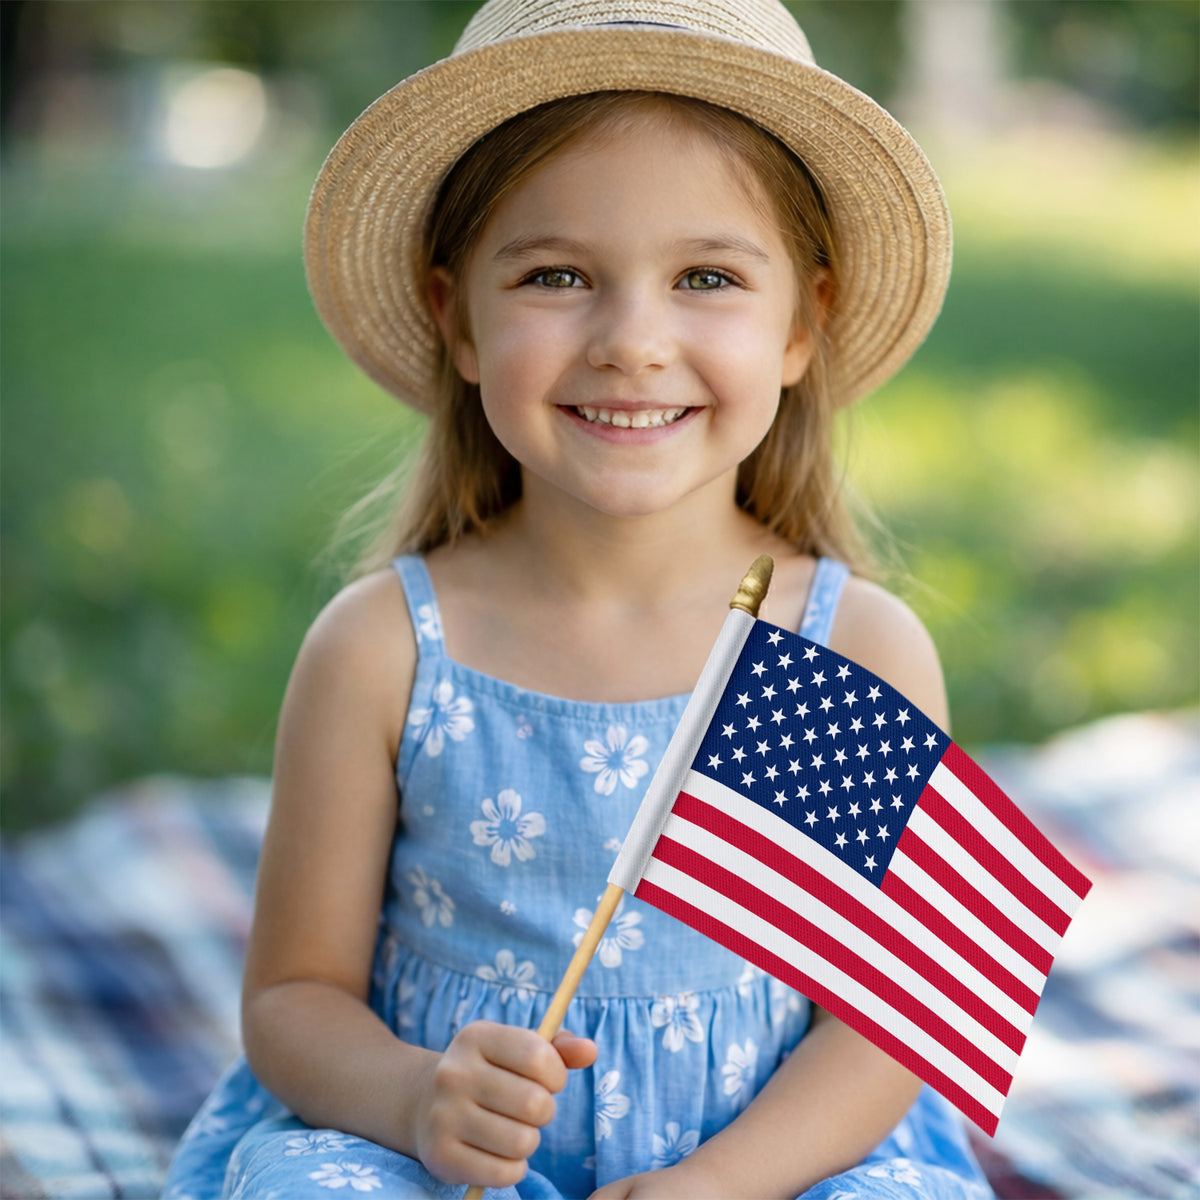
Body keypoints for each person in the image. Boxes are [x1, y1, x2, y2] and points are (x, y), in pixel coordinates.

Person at [163, 1, 993, 1196]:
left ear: (803, 324)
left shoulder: (838, 648)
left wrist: (709, 1187)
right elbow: (295, 998)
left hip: (762, 1172)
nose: (633, 341)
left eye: (706, 276)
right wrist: (412, 1097)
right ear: (456, 318)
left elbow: (887, 1026)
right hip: (440, 1163)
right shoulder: (392, 647)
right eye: (557, 275)